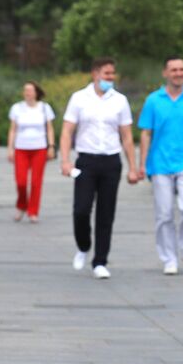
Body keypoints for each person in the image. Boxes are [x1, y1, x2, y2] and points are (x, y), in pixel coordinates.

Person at [60, 57, 134, 279]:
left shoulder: (120, 100)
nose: (110, 78)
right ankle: (84, 245)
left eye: (112, 74)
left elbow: (127, 136)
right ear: (95, 74)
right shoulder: (79, 99)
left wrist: (133, 167)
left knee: (106, 212)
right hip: (87, 160)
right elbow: (67, 131)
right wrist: (65, 160)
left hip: (111, 161)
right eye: (106, 74)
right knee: (81, 210)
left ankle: (100, 260)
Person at [136, 56, 183, 275]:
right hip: (160, 163)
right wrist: (142, 165)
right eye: (174, 70)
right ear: (165, 73)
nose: (178, 73)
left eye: (182, 69)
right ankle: (169, 258)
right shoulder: (153, 100)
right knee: (164, 214)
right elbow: (146, 133)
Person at [7, 81, 57, 222]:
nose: (27, 93)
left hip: (39, 148)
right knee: (21, 181)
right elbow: (13, 129)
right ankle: (22, 204)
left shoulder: (44, 108)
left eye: (30, 90)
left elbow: (49, 128)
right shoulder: (17, 108)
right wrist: (10, 148)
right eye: (25, 90)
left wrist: (51, 146)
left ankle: (33, 211)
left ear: (36, 92)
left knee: (36, 182)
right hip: (21, 148)